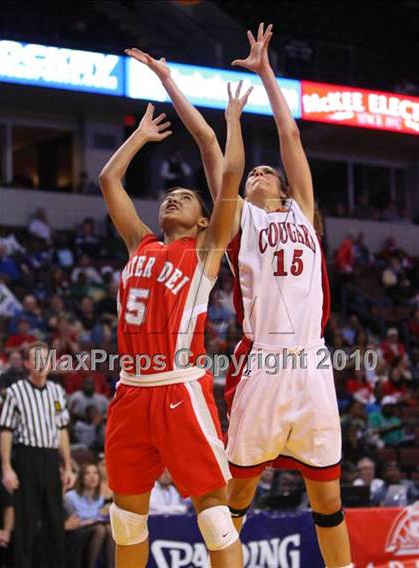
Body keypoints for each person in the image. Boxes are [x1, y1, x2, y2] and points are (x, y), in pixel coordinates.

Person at [136, 22, 352, 568]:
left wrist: (266, 71)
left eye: (265, 171)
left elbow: (291, 138)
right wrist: (169, 82)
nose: (257, 170)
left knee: (328, 498)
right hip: (264, 362)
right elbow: (212, 147)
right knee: (239, 493)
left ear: (283, 188)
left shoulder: (302, 210)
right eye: (252, 170)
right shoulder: (239, 218)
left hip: (312, 361)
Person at [99, 75, 252, 567]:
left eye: (185, 197)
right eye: (169, 196)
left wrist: (229, 124)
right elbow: (108, 180)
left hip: (180, 388)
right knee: (125, 519)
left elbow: (229, 177)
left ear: (206, 221)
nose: (172, 199)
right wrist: (139, 137)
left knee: (213, 514)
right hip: (130, 390)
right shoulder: (139, 242)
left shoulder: (206, 250)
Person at [0, 342, 75, 568]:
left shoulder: (56, 393)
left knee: (54, 519)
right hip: (26, 458)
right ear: (26, 364)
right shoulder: (15, 392)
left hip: (51, 459)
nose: (42, 364)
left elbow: (61, 429)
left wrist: (68, 466)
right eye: (36, 359)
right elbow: (5, 430)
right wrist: (6, 467)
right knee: (26, 521)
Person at [64, 463, 114, 568]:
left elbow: (98, 517)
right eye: (87, 473)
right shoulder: (70, 497)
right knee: (100, 529)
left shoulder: (100, 498)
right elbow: (72, 521)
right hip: (76, 533)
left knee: (108, 529)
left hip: (95, 529)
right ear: (82, 478)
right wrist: (90, 520)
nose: (92, 477)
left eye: (95, 473)